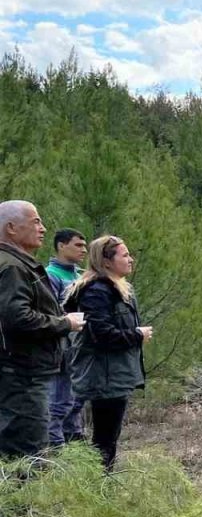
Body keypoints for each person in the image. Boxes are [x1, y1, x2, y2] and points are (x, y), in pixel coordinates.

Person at [0, 201, 86, 458]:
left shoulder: (16, 263)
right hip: (21, 374)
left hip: (20, 371)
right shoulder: (12, 267)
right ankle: (23, 498)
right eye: (36, 221)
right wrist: (65, 323)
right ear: (12, 228)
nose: (44, 228)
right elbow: (17, 319)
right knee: (26, 452)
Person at [63, 236, 149, 469]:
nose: (130, 260)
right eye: (124, 255)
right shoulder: (97, 291)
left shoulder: (117, 288)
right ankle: (100, 487)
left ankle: (102, 482)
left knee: (108, 436)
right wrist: (137, 335)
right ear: (107, 261)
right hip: (104, 376)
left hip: (114, 374)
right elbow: (101, 334)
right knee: (104, 438)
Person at [46, 228, 88, 447]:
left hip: (80, 348)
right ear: (62, 246)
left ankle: (75, 443)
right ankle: (55, 446)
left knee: (77, 399)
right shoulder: (50, 275)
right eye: (78, 245)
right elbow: (50, 312)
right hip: (62, 347)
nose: (84, 250)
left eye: (84, 245)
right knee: (59, 400)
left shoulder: (79, 275)